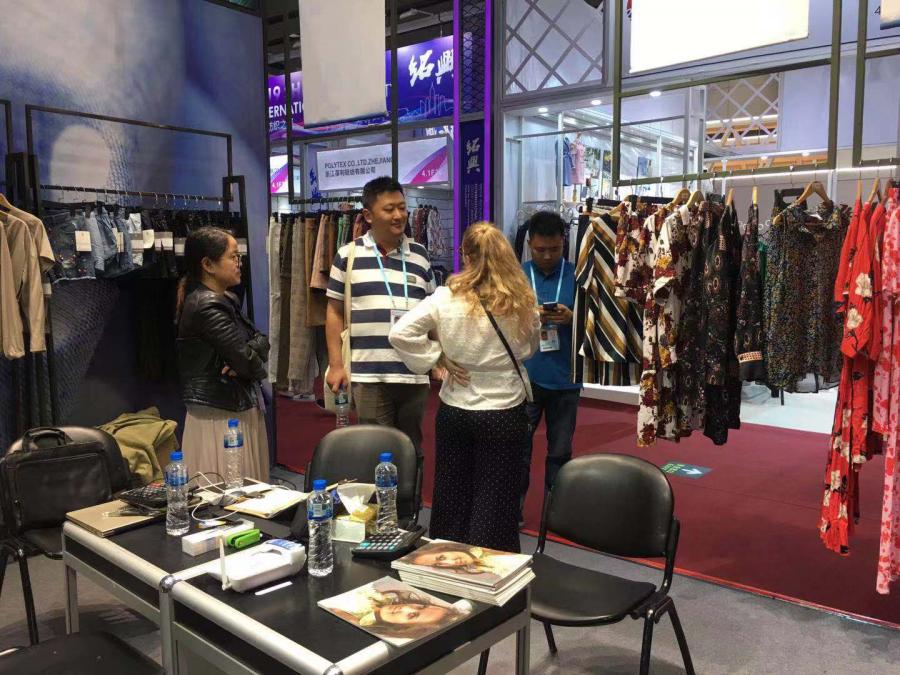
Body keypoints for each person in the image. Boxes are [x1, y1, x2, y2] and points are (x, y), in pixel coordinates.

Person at [389, 222, 540, 552]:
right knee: (495, 503)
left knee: (451, 497)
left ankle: (447, 567)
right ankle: (489, 573)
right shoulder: (521, 299)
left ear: (465, 256)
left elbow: (400, 333)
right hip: (504, 410)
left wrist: (437, 356)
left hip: (455, 409)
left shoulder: (445, 297)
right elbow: (528, 350)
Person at [325, 176, 436, 450]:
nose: (399, 215)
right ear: (368, 215)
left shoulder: (420, 255)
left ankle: (409, 482)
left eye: (402, 207)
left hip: (413, 371)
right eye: (389, 209)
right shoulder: (348, 255)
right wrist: (336, 365)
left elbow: (433, 312)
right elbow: (334, 313)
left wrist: (438, 360)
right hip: (368, 373)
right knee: (375, 448)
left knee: (411, 448)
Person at [176, 227, 270, 481]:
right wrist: (250, 357)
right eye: (233, 257)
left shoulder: (225, 299)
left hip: (231, 406)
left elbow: (261, 342)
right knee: (227, 489)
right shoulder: (207, 305)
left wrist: (251, 352)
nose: (239, 263)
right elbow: (249, 363)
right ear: (208, 264)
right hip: (220, 412)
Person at [521, 211, 581, 514]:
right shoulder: (518, 276)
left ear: (564, 243)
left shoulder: (578, 275)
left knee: (560, 452)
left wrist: (573, 318)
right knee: (518, 448)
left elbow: (595, 322)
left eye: (554, 249)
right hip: (525, 379)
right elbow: (502, 321)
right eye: (540, 249)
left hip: (566, 380)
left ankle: (554, 513)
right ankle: (512, 509)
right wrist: (531, 316)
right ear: (529, 244)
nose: (547, 256)